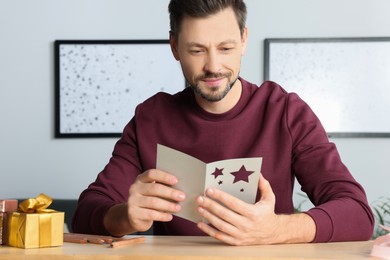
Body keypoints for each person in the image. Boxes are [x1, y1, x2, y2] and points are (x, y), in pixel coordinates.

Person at [72, 0, 374, 245]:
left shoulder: (286, 111)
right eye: (196, 50)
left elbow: (358, 214)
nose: (213, 66)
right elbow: (85, 212)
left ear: (244, 40)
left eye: (226, 48)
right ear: (175, 47)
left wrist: (276, 230)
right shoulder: (150, 117)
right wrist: (124, 217)